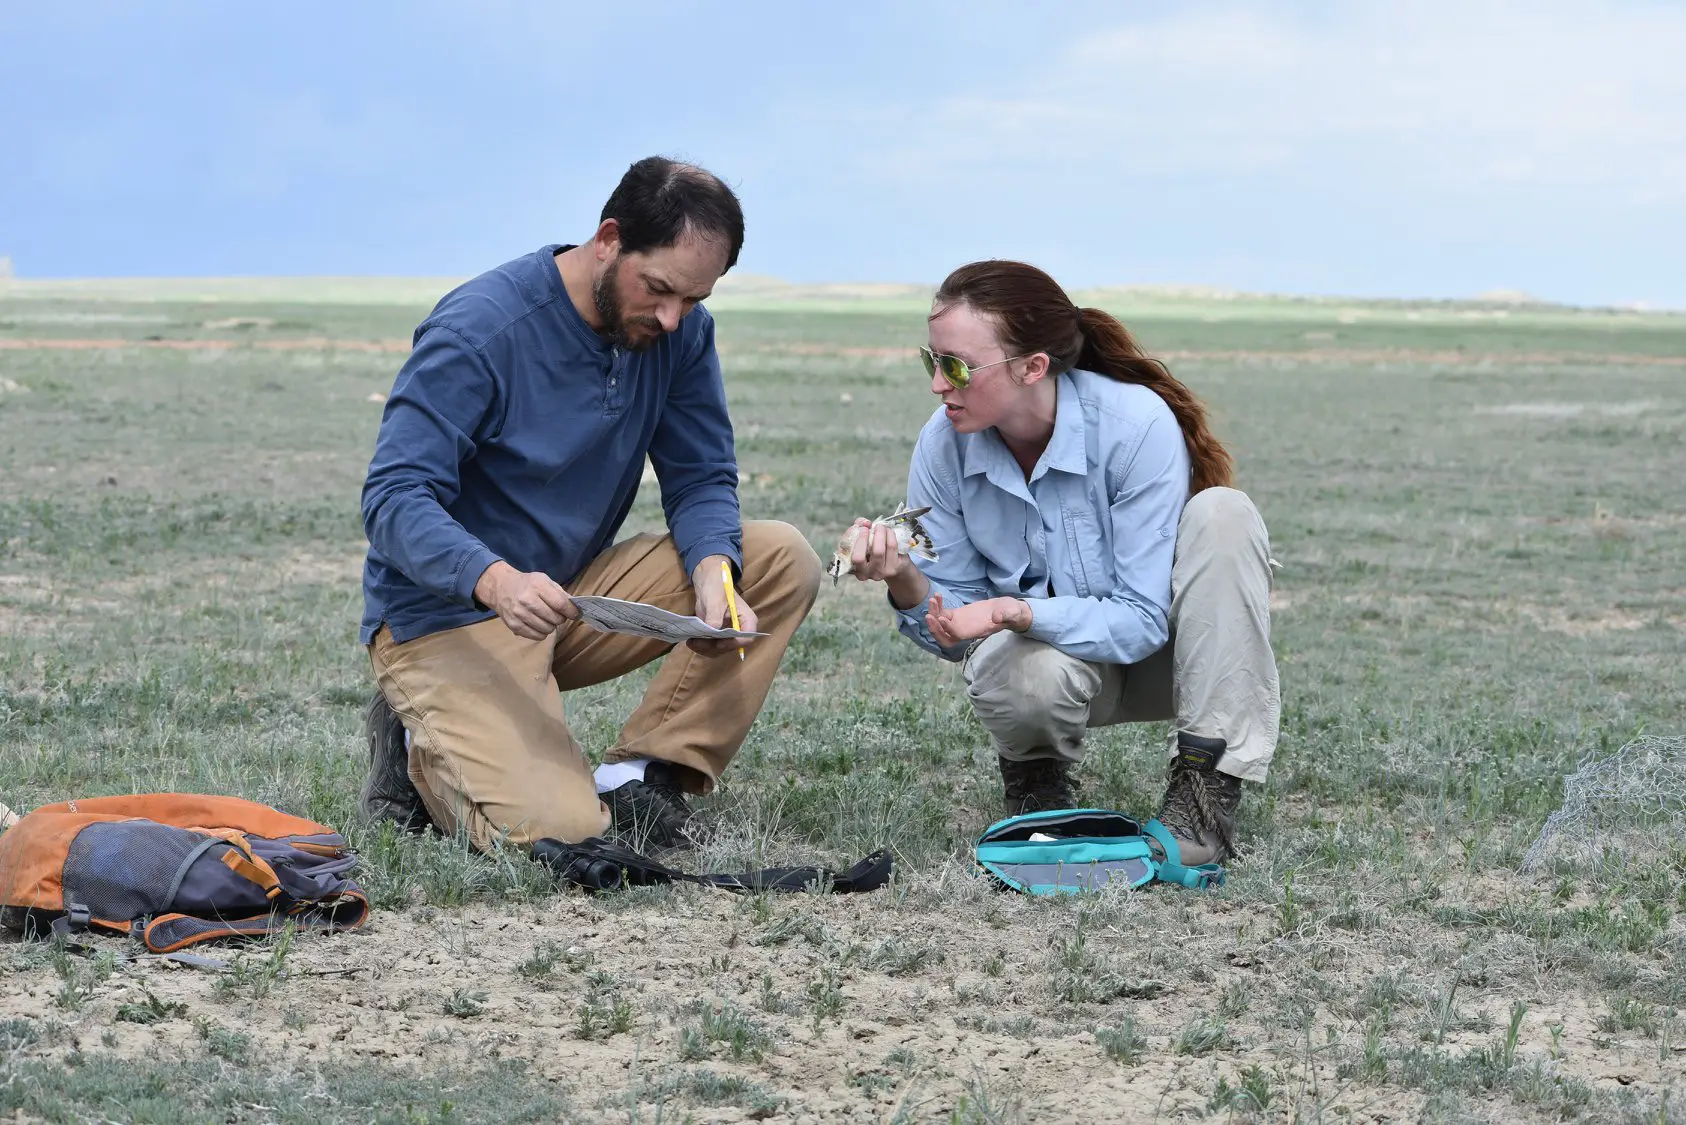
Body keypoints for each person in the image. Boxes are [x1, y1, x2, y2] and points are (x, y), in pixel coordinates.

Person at [357, 156, 822, 853]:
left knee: (777, 557)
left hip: (568, 600)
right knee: (563, 836)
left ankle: (641, 775)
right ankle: (416, 737)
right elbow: (393, 498)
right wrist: (496, 580)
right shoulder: (480, 330)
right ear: (608, 238)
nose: (672, 318)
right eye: (659, 289)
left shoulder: (682, 334)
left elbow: (700, 475)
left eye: (693, 299)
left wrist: (712, 570)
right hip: (446, 616)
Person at [837, 260, 1279, 865]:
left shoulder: (1135, 425)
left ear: (1033, 367)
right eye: (930, 360)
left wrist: (1012, 610)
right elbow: (956, 630)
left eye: (958, 366)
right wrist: (905, 579)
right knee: (1012, 663)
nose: (938, 385)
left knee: (1224, 515)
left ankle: (1203, 794)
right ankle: (1036, 786)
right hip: (1067, 673)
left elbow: (1143, 618)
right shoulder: (942, 443)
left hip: (1171, 664)